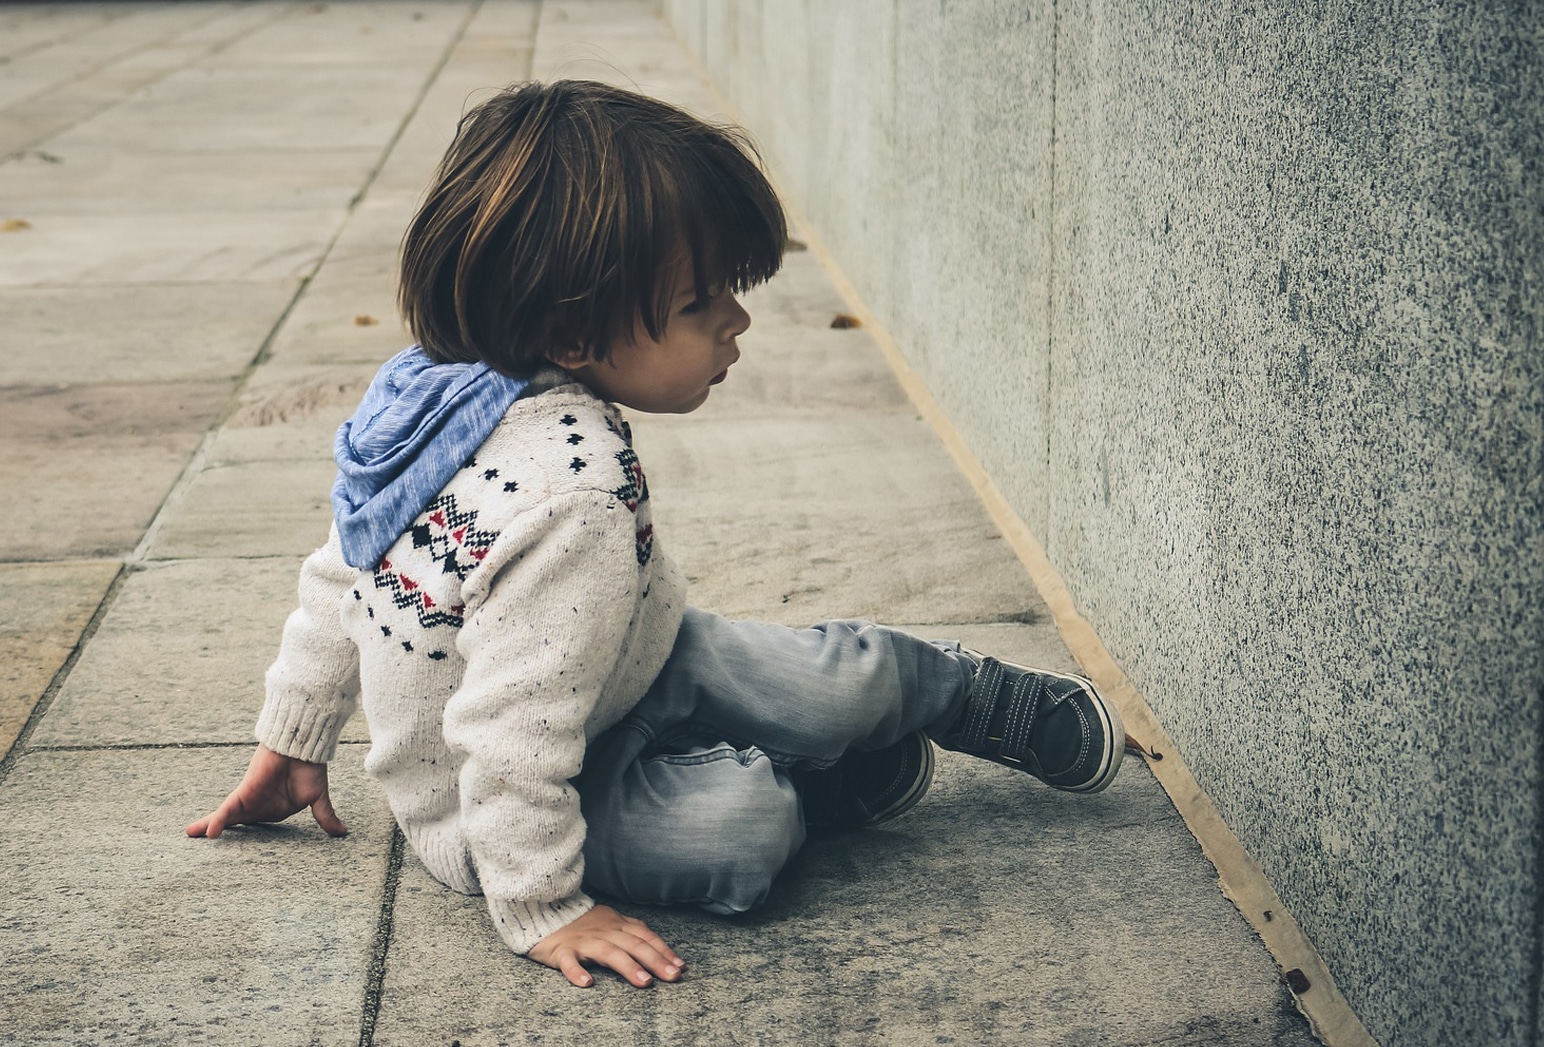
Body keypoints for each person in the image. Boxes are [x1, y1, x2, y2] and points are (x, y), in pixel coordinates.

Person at [185, 79, 1124, 990]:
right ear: (570, 334)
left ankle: (966, 695)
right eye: (698, 302)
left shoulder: (439, 387)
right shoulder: (570, 497)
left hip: (633, 656)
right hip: (491, 794)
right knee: (740, 836)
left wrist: (292, 740)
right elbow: (493, 721)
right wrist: (542, 907)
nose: (737, 320)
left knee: (837, 681)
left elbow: (335, 575)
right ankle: (813, 781)